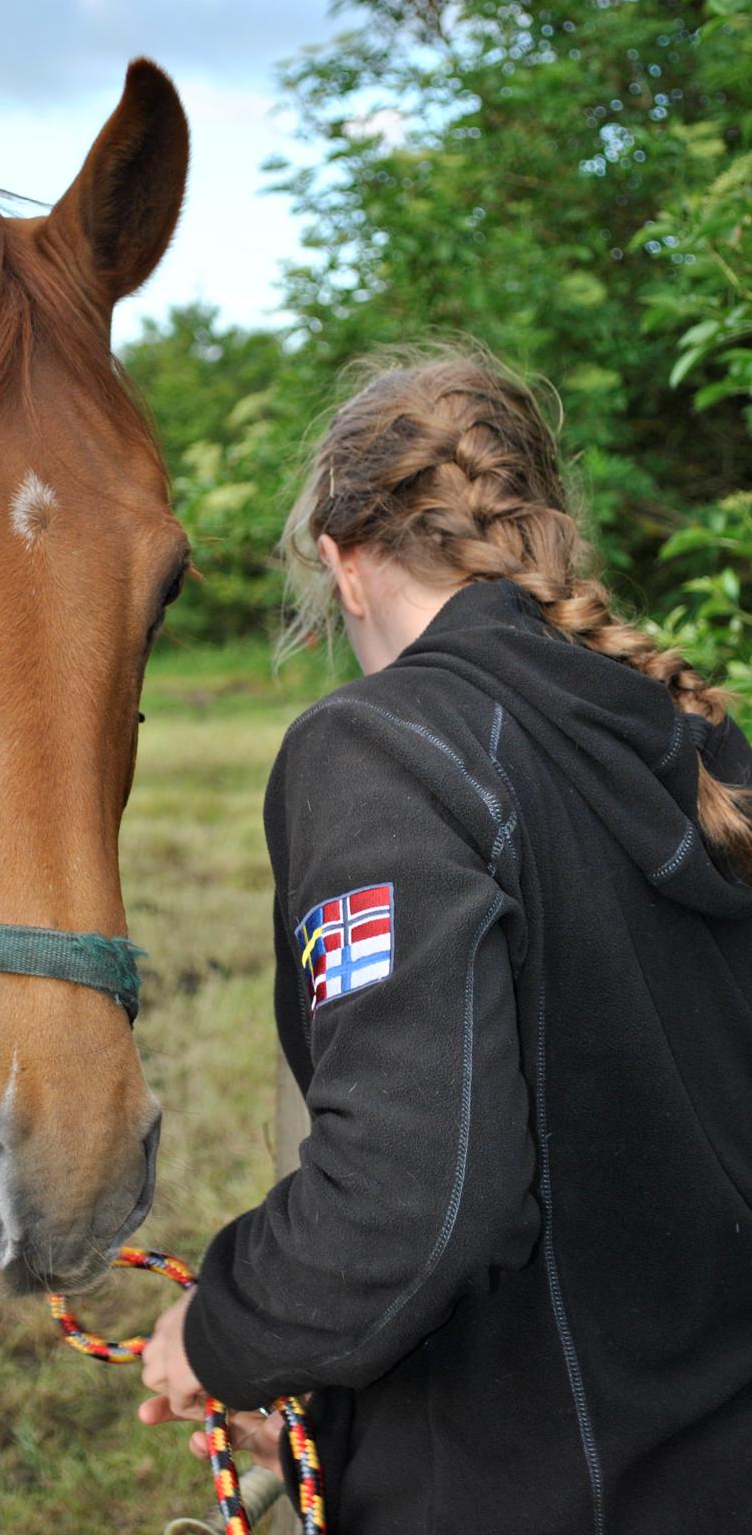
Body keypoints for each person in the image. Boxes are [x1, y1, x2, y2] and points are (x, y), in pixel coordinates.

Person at [138, 346, 752, 1533]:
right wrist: (325, 1383)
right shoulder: (698, 740)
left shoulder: (379, 751)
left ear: (342, 561)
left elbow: (410, 1200)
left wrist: (221, 1333)